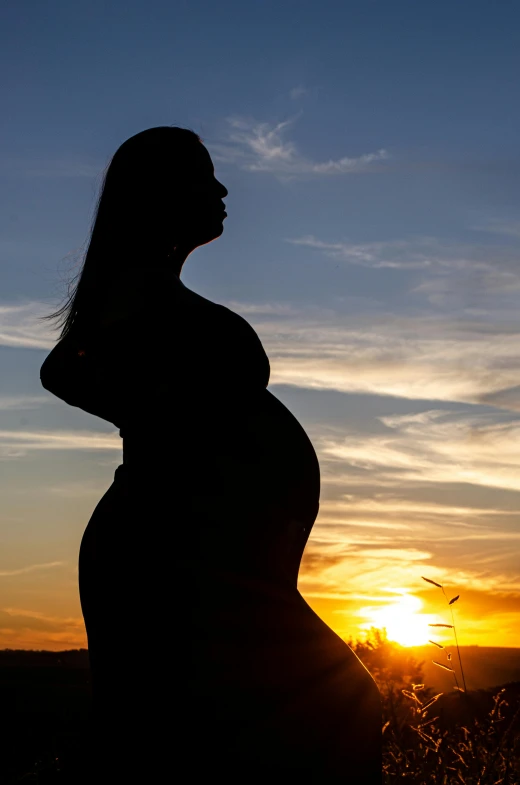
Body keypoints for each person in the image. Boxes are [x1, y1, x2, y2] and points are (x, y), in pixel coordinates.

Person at [39, 126, 381, 783]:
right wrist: (167, 425)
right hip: (172, 551)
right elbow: (67, 372)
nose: (222, 190)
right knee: (336, 706)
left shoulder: (143, 290)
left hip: (213, 555)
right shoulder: (136, 292)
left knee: (228, 733)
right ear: (160, 195)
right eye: (204, 175)